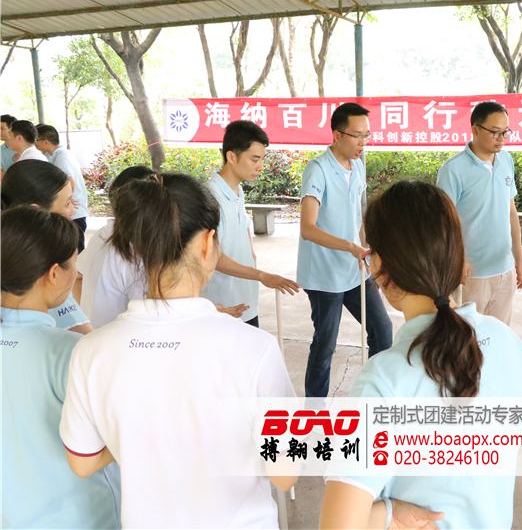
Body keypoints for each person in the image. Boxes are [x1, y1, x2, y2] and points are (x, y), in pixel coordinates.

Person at [59, 173, 297, 528]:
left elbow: (82, 461)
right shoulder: (254, 348)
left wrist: (141, 433)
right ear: (207, 242)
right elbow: (285, 473)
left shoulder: (91, 351)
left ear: (137, 246)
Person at [320, 180, 522, 529]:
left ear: (378, 266)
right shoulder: (507, 341)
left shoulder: (384, 378)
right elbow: (513, 443)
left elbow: (338, 525)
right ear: (460, 259)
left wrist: (389, 514)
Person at [1, 206, 119, 529]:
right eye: (73, 263)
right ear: (54, 274)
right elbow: (111, 436)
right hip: (80, 517)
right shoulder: (71, 352)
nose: (76, 274)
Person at [298, 102, 393, 398]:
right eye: (357, 136)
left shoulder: (358, 165)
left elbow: (358, 215)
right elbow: (307, 228)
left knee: (383, 331)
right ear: (337, 135)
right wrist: (351, 246)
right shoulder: (318, 169)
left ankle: (374, 396)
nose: (363, 142)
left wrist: (366, 248)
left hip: (356, 270)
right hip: (324, 275)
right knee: (325, 345)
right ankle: (314, 412)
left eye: (367, 135)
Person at [201, 120, 299, 327]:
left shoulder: (238, 190)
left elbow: (244, 227)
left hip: (245, 300)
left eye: (262, 159)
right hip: (223, 306)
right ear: (231, 157)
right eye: (254, 159)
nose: (260, 166)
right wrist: (261, 275)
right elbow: (212, 256)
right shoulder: (210, 197)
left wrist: (252, 258)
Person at [436, 101, 522, 325]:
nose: (501, 138)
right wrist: (458, 260)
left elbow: (511, 212)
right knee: (468, 338)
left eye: (505, 132)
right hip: (471, 276)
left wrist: (519, 259)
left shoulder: (506, 160)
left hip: (505, 271)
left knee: (499, 336)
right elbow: (442, 223)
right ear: (475, 130)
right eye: (495, 132)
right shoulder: (453, 169)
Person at [1, 160, 93, 334]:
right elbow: (84, 335)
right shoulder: (47, 269)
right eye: (67, 203)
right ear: (36, 211)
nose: (73, 211)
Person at [76, 166, 155, 328]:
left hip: (96, 335)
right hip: (122, 338)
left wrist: (86, 323)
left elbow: (77, 276)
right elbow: (149, 316)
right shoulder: (135, 249)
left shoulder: (101, 235)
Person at [35, 124, 89, 252]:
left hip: (74, 212)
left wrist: (67, 199)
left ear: (46, 141)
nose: (35, 144)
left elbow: (70, 181)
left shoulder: (61, 157)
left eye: (37, 140)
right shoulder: (55, 154)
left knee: (76, 251)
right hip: (72, 211)